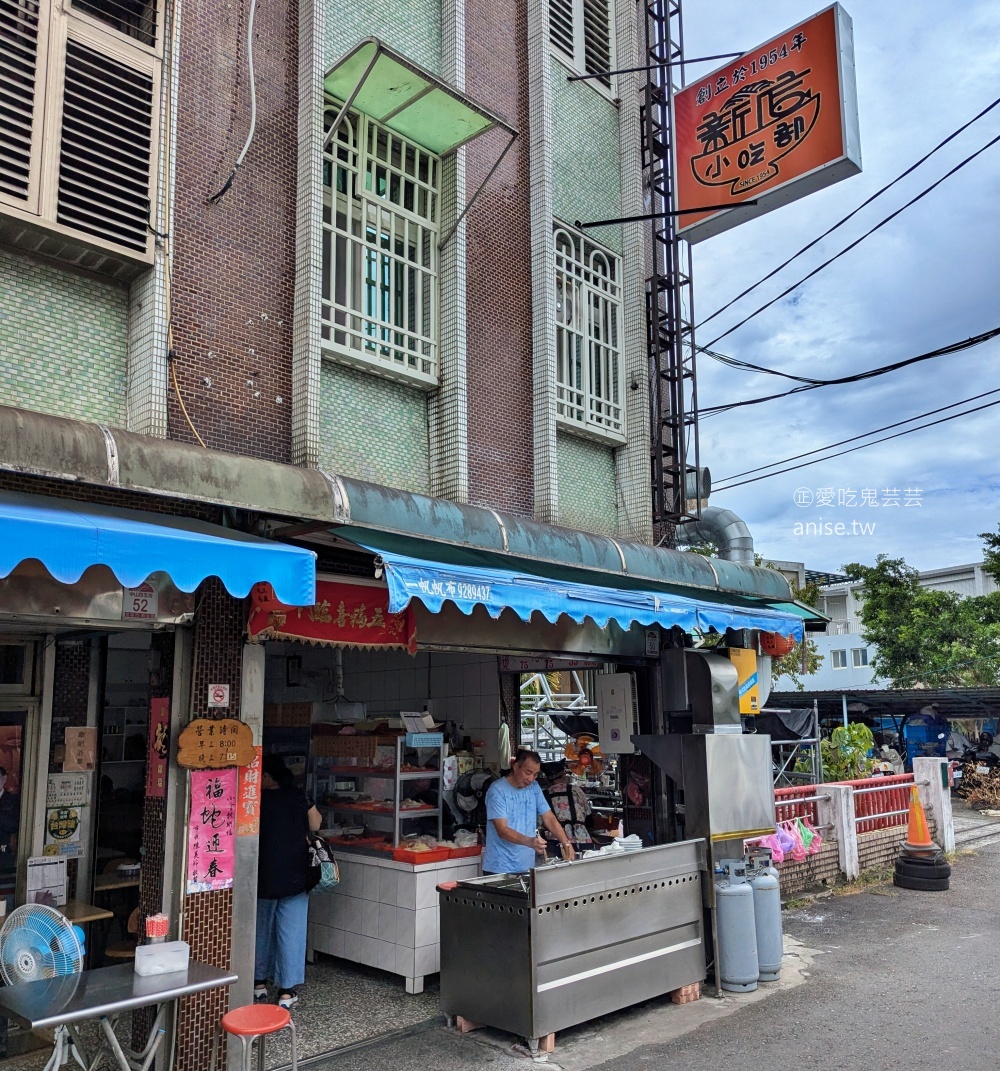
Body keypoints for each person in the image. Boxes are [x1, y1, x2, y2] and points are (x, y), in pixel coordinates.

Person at [255, 754, 322, 1010]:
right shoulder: (298, 795)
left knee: (260, 928)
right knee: (291, 931)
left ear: (267, 777)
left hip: (263, 874)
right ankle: (286, 990)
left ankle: (258, 982)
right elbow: (316, 823)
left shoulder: (254, 800)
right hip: (295, 874)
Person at [483, 749, 575, 874]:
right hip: (500, 868)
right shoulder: (497, 791)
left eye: (535, 774)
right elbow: (502, 830)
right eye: (528, 772)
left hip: (527, 867)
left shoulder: (534, 787)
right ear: (516, 767)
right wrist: (530, 842)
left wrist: (566, 843)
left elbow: (549, 817)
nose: (531, 779)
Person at [541, 762, 594, 855]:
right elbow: (589, 818)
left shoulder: (544, 795)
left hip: (556, 842)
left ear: (547, 778)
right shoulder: (576, 790)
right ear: (563, 775)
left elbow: (540, 824)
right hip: (582, 839)